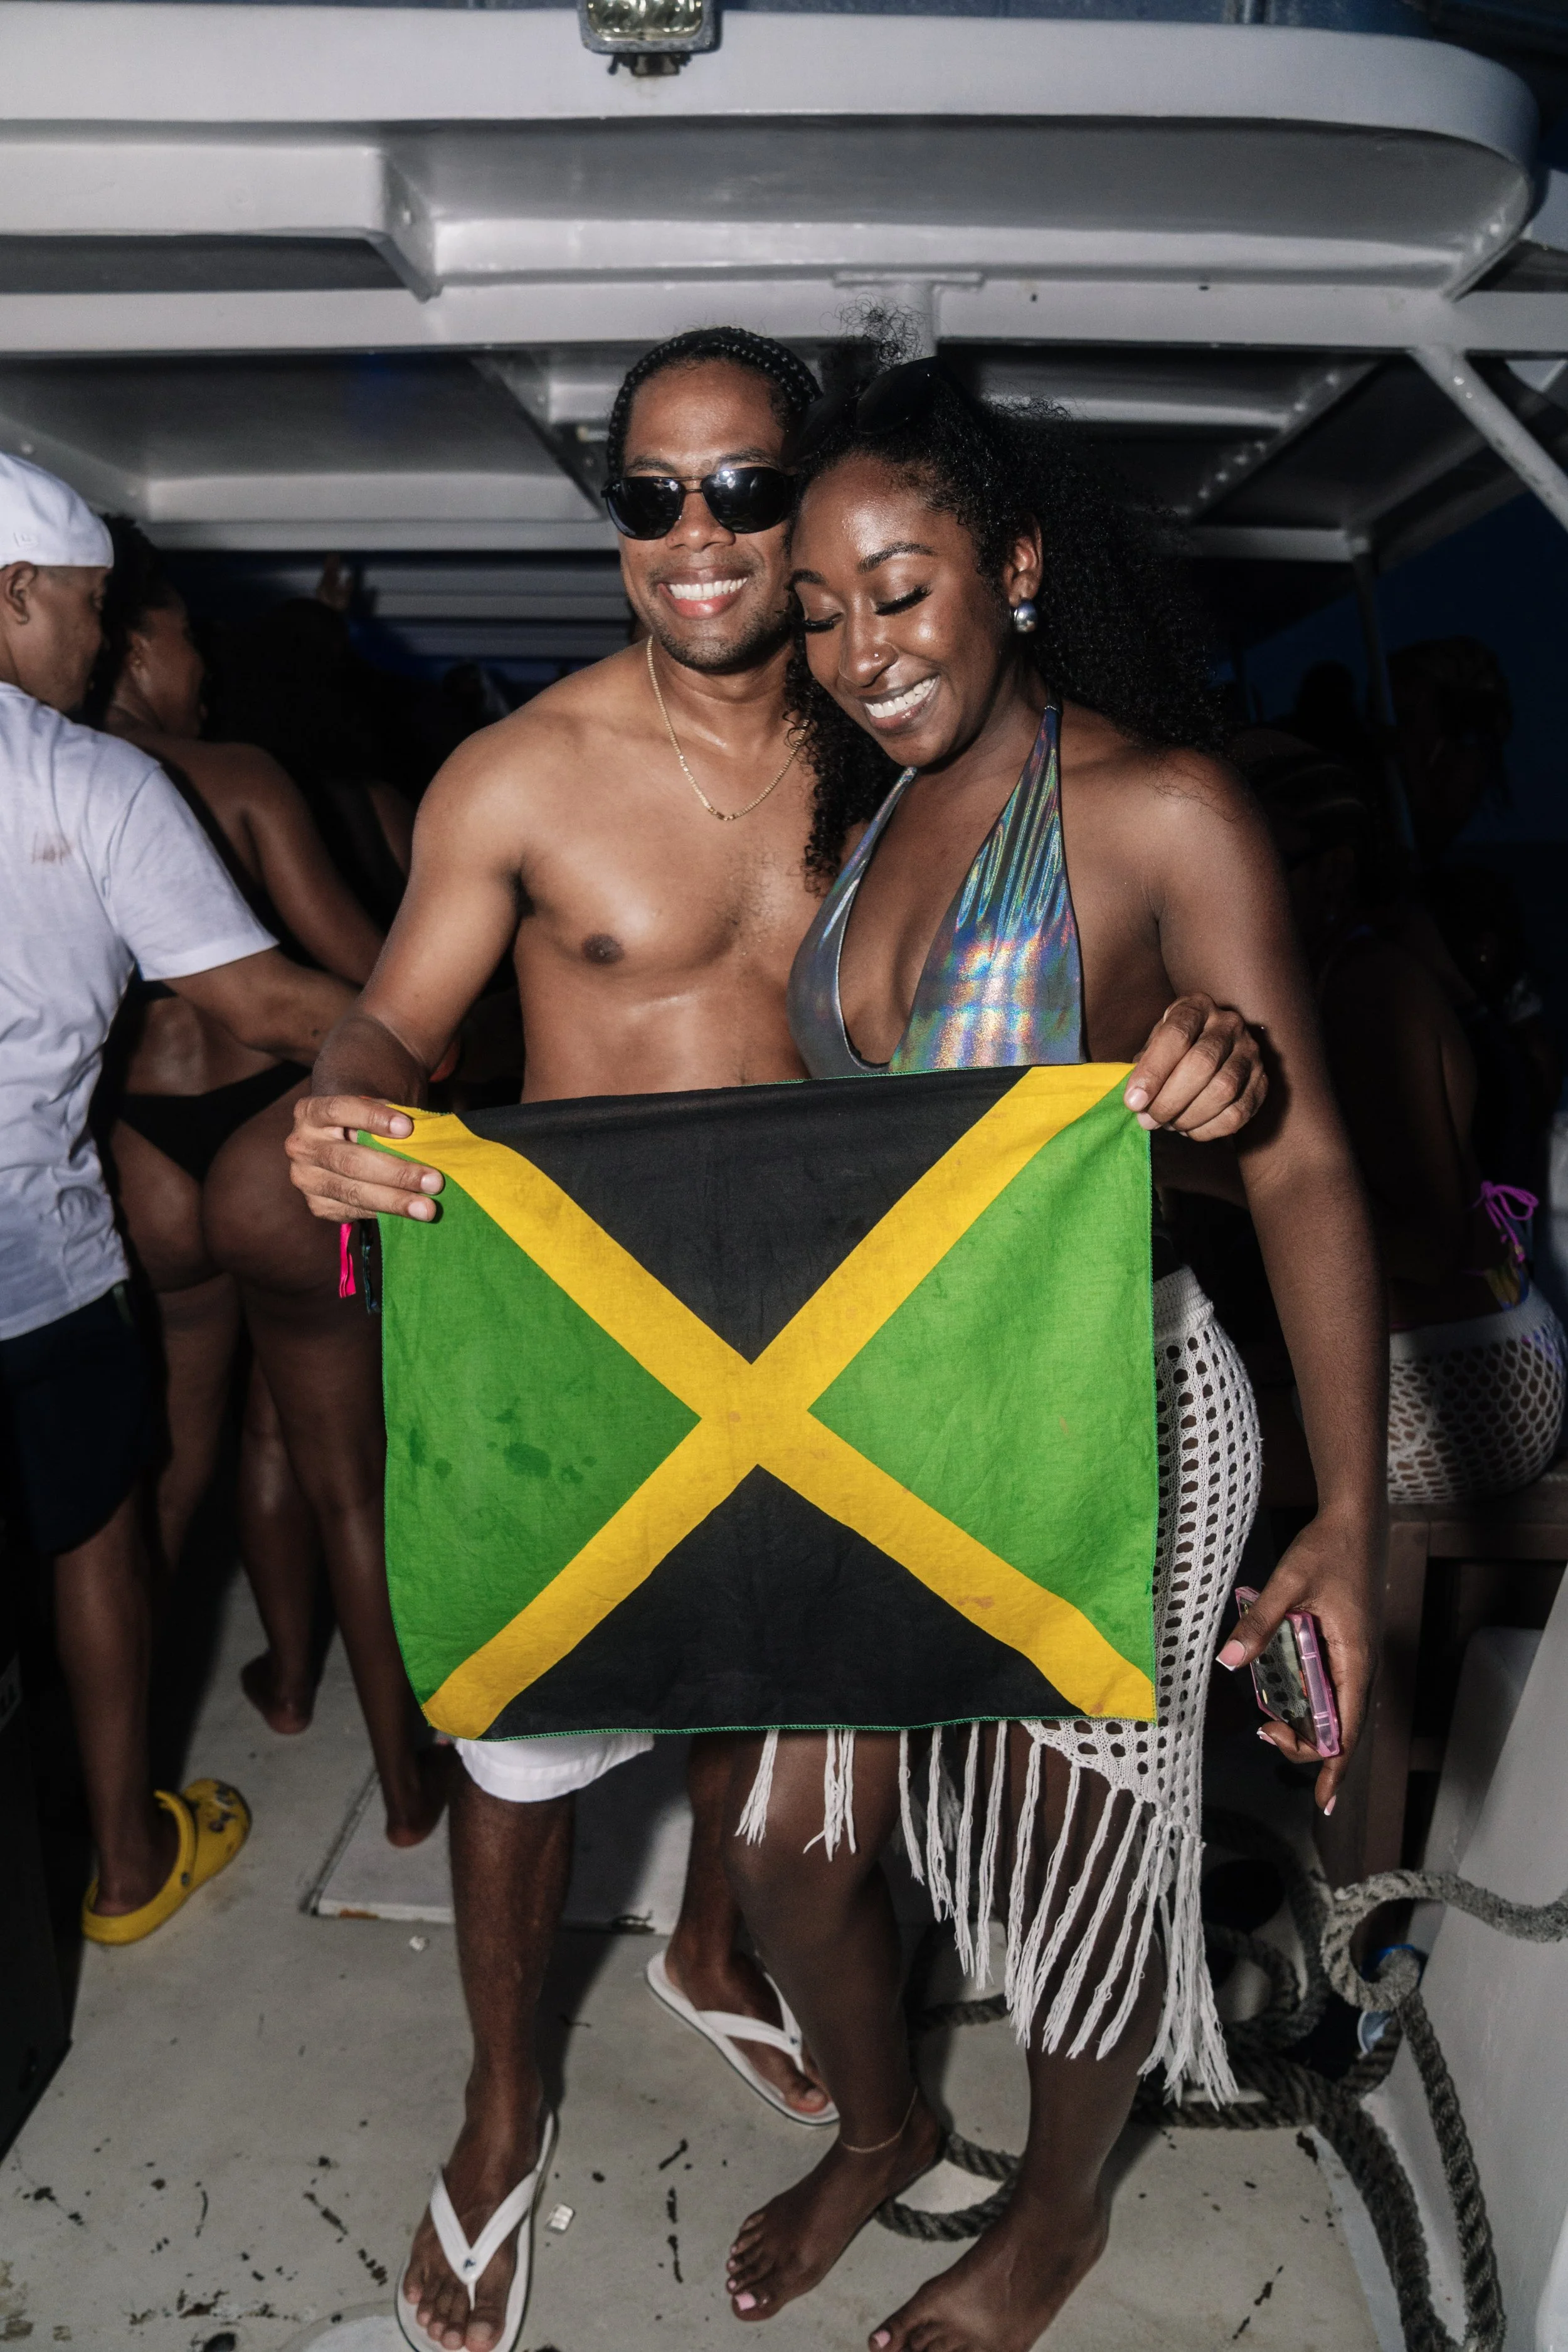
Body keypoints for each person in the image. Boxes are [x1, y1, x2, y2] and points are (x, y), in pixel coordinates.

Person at [283, 328, 1268, 2352]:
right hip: (596, 1345)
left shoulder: (887, 763)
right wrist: (345, 1100)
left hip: (855, 1356)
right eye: (653, 494)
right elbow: (390, 1018)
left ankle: (715, 1958)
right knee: (525, 1743)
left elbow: (1038, 966)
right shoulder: (519, 773)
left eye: (747, 491)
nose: (704, 535)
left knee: (775, 1744)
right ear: (615, 522)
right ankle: (493, 2122)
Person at [698, 356, 1385, 2352]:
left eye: (895, 591)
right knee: (793, 1854)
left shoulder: (1159, 807)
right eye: (816, 610)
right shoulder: (873, 818)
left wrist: (1343, 1514)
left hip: (1115, 1415)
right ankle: (883, 2119)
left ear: (1009, 569)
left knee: (1089, 1858)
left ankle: (1054, 2216)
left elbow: (1307, 1158)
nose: (854, 648)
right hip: (886, 1421)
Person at [0, 453, 348, 1943]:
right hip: (35, 1263)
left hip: (114, 1199)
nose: (95, 644)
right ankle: (128, 1866)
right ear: (17, 594)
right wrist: (439, 1031)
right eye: (85, 610)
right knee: (97, 1541)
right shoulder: (82, 774)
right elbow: (271, 1002)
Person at [85, 524, 445, 1848]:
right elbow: (369, 989)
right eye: (186, 637)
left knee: (177, 1465)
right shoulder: (230, 776)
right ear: (138, 637)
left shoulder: (51, 782)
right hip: (263, 1134)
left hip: (139, 1151)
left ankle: (140, 1758)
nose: (198, 667)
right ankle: (409, 1788)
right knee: (340, 1465)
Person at [1237, 732, 1565, 1507]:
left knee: (1150, 1465)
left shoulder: (1366, 994)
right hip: (1462, 1356)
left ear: (1333, 873)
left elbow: (1422, 1245)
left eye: (1255, 862)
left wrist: (1235, 1176)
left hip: (1459, 1384)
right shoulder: (1333, 980)